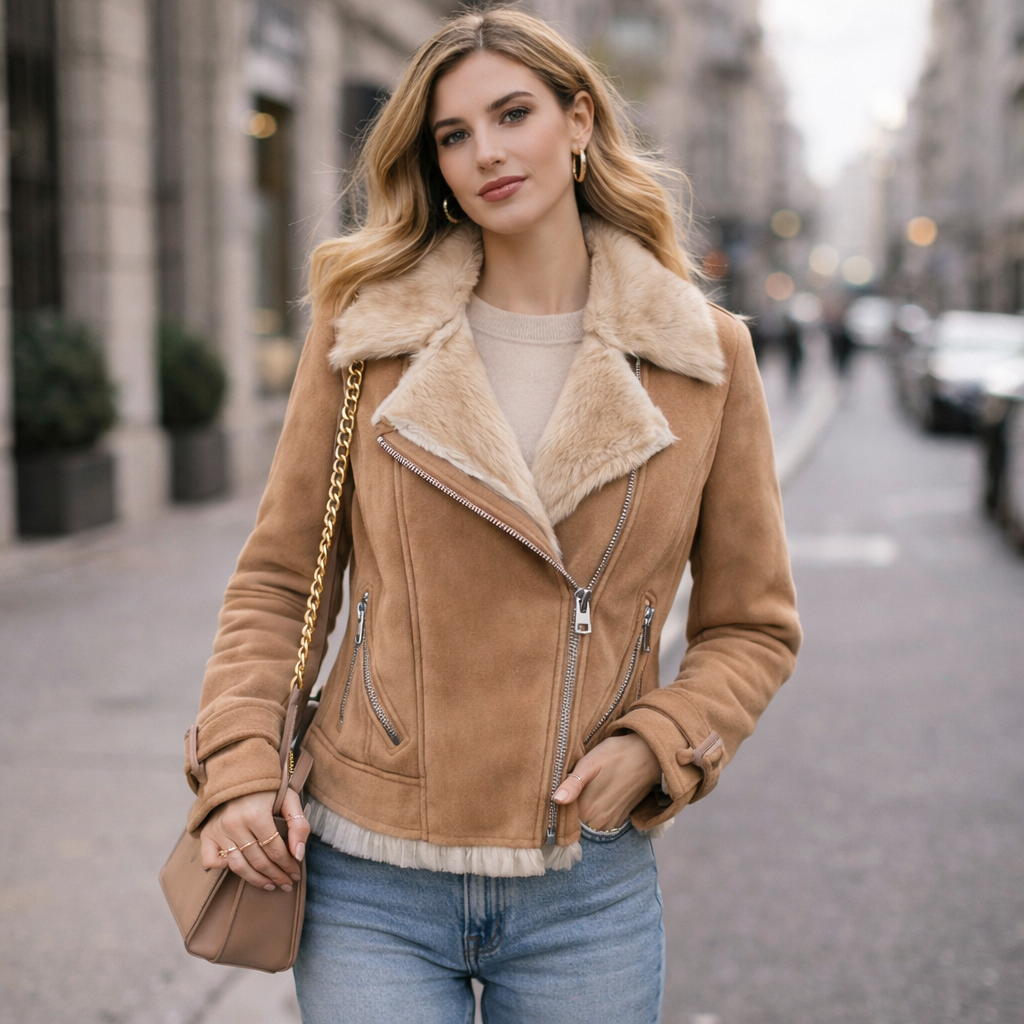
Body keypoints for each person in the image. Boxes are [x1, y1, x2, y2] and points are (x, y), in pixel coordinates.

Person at [186, 10, 801, 1023]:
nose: (486, 153)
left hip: (581, 882)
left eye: (512, 114)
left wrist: (661, 741)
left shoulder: (705, 355)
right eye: (453, 134)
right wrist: (242, 764)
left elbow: (754, 624)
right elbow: (280, 579)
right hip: (370, 873)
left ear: (577, 121)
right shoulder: (368, 332)